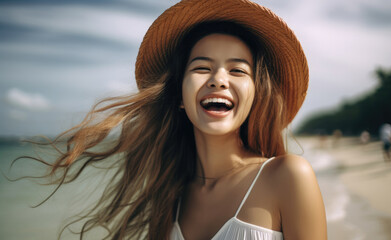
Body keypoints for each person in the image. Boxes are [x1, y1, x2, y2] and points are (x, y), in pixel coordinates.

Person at [23, 0, 326, 239]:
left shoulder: (287, 176)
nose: (219, 80)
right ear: (180, 96)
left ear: (256, 96)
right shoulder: (170, 198)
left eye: (237, 70)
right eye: (201, 67)